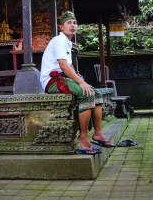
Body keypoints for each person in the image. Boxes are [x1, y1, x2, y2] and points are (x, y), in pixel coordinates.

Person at [40, 11, 115, 155]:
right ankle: (83, 136)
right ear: (61, 27)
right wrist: (81, 83)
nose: (73, 25)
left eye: (74, 23)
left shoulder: (67, 43)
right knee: (87, 94)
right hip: (52, 81)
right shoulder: (58, 40)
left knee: (97, 93)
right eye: (69, 23)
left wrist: (82, 81)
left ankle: (98, 133)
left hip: (63, 78)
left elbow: (70, 67)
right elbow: (63, 66)